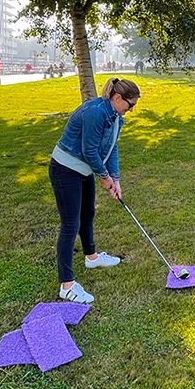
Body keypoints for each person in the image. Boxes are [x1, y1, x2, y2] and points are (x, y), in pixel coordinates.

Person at [48, 78, 141, 303]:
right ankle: (67, 285)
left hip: (83, 171)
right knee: (71, 224)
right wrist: (104, 177)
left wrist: (115, 179)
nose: (131, 110)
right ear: (117, 98)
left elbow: (112, 148)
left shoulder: (115, 117)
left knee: (87, 214)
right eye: (131, 105)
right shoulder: (96, 112)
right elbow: (89, 150)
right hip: (65, 169)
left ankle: (92, 257)